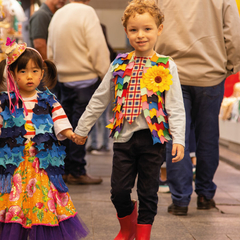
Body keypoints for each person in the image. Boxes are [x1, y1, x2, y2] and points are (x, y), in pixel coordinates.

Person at [72, 0, 185, 238]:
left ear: (159, 29)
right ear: (126, 32)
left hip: (154, 141)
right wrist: (82, 129)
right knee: (119, 191)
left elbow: (175, 106)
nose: (140, 35)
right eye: (134, 30)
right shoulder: (119, 63)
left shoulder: (167, 65)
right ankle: (127, 227)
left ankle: (142, 233)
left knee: (148, 191)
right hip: (124, 139)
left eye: (147, 29)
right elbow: (100, 98)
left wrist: (179, 139)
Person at [155, 0, 240, 216]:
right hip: (211, 75)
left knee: (176, 136)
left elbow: (149, 22)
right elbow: (235, 35)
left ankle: (180, 200)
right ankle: (205, 195)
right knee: (208, 137)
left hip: (171, 73)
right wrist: (229, 66)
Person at [0, 38, 88, 240]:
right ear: (12, 74)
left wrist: (71, 134)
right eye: (22, 71)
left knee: (41, 198)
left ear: (42, 73)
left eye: (34, 71)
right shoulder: (7, 102)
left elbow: (60, 121)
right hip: (15, 163)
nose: (29, 76)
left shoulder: (48, 100)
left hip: (42, 164)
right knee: (15, 201)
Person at [47, 0, 110, 185]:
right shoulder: (87, 12)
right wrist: (105, 73)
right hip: (85, 79)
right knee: (81, 127)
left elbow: (50, 49)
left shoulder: (58, 14)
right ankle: (77, 171)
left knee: (63, 127)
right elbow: (97, 47)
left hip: (63, 80)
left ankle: (64, 170)